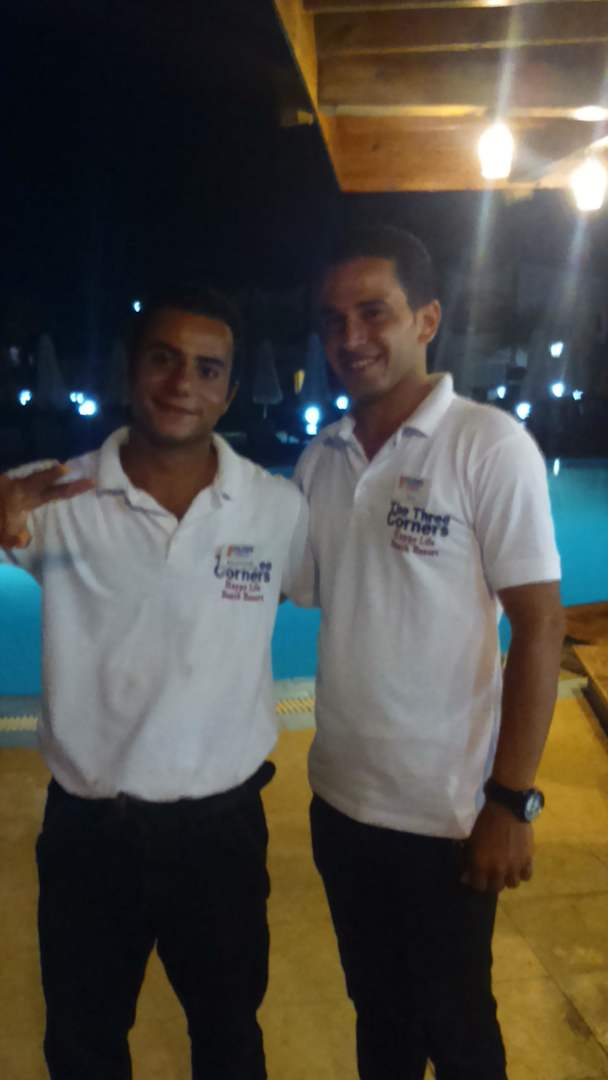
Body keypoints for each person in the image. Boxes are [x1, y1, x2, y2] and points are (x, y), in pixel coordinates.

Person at [0, 285, 307, 1080]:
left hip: (222, 832)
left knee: (230, 1039)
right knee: (83, 1046)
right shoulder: (54, 496)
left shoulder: (275, 509)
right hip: (91, 833)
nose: (183, 384)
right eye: (164, 359)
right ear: (130, 370)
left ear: (229, 390)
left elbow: (332, 589)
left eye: (208, 368)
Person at [289, 226, 564, 1079]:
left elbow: (540, 625)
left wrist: (510, 802)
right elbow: (274, 581)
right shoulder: (323, 458)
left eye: (374, 312)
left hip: (447, 817)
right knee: (380, 1018)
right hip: (341, 802)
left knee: (459, 1027)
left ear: (427, 320)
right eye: (334, 320)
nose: (351, 337)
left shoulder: (488, 444)